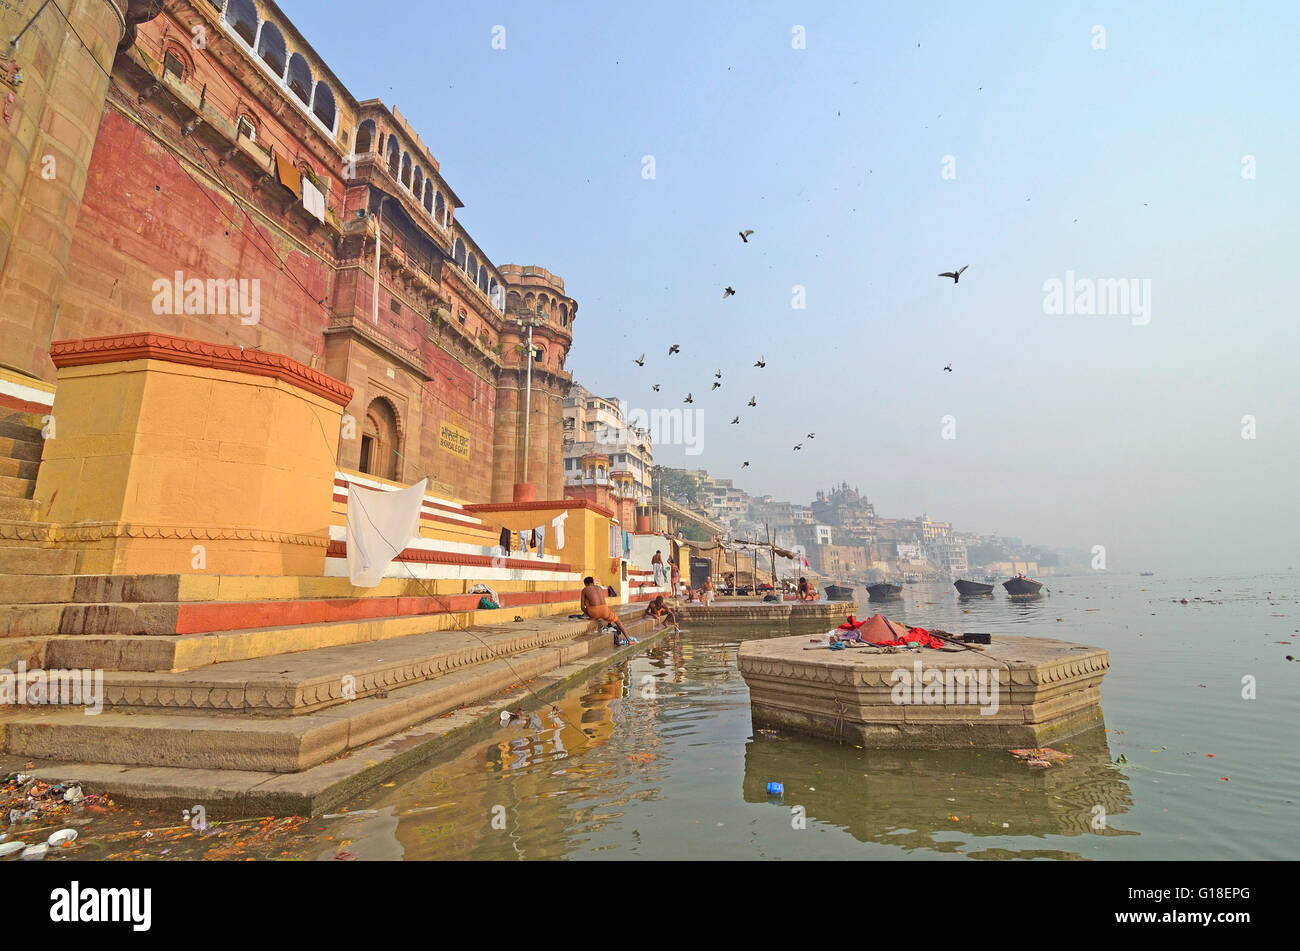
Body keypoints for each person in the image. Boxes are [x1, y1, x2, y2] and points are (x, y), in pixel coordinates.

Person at [581, 576, 633, 644]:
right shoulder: (599, 587)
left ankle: (593, 616)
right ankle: (629, 640)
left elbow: (582, 607)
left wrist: (588, 613)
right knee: (618, 621)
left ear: (586, 584)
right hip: (605, 610)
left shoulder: (585, 589)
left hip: (593, 612)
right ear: (593, 582)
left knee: (587, 600)